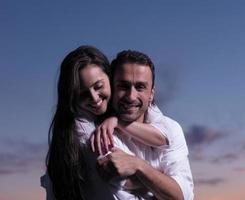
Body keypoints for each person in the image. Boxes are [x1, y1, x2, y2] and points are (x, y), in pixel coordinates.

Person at [42, 45, 172, 200]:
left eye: (98, 86)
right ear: (72, 97)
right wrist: (162, 179)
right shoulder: (85, 131)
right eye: (83, 93)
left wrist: (118, 122)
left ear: (110, 78)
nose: (95, 98)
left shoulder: (125, 109)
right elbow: (119, 176)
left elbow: (164, 137)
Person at [96, 50, 194, 200]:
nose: (131, 96)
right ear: (112, 88)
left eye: (140, 87)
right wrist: (162, 180)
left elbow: (182, 195)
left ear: (151, 94)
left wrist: (138, 166)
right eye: (123, 86)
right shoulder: (103, 136)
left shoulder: (171, 129)